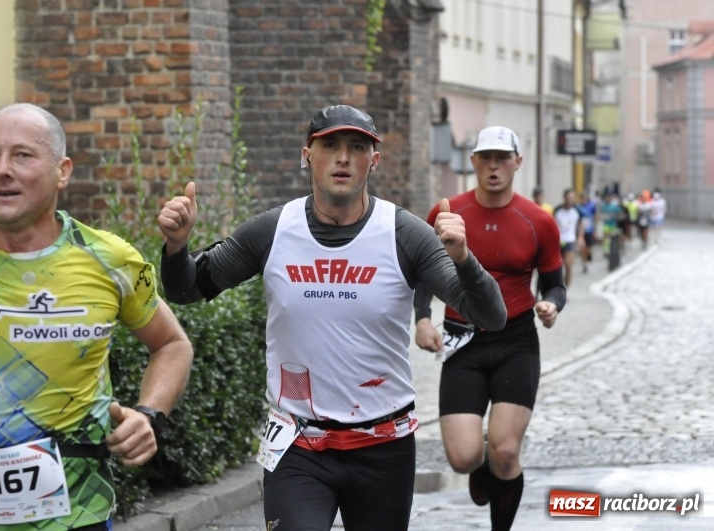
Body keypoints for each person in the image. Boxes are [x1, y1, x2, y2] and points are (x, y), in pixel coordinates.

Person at [157, 104, 506, 531]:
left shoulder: (404, 233)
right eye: (330, 145)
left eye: (357, 147)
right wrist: (176, 247)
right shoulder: (273, 230)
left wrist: (465, 259)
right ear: (308, 154)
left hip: (383, 447)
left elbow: (491, 315)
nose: (343, 157)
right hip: (298, 446)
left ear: (373, 161)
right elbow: (186, 289)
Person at [0, 103, 194, 531]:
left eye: (22, 155)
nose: (2, 170)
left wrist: (148, 414)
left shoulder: (109, 258)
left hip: (80, 513)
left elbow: (172, 344)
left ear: (62, 171)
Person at [413, 126, 566, 531]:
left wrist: (551, 305)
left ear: (517, 162)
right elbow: (424, 275)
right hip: (462, 340)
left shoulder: (539, 221)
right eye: (486, 157)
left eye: (502, 158)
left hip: (516, 341)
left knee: (505, 449)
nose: (494, 166)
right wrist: (423, 318)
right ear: (473, 161)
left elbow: (555, 283)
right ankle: (482, 466)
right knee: (463, 458)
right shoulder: (448, 213)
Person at [553, 189, 583, 288]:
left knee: (569, 267)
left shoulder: (577, 210)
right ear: (564, 198)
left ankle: (565, 289)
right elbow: (552, 224)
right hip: (558, 242)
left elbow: (580, 224)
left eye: (572, 198)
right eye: (569, 198)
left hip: (570, 240)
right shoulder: (557, 210)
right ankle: (559, 287)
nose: (571, 200)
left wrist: (580, 237)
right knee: (558, 268)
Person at [576, 191, 598, 272]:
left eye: (584, 198)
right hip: (581, 231)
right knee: (582, 248)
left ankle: (589, 255)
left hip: (589, 230)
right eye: (582, 198)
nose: (583, 200)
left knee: (589, 248)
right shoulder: (578, 207)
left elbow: (595, 216)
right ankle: (584, 264)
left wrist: (595, 228)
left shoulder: (591, 206)